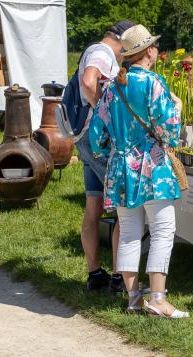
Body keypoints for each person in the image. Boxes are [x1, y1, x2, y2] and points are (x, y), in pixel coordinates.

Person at [88, 24, 187, 318]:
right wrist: (178, 107)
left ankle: (133, 298)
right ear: (148, 52)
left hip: (121, 169)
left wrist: (117, 153)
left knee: (130, 233)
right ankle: (157, 299)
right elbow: (168, 130)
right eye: (154, 46)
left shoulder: (112, 87)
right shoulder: (153, 83)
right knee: (162, 230)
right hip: (152, 166)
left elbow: (96, 136)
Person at [77, 19, 135, 292]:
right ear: (121, 39)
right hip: (97, 138)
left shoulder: (93, 50)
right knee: (123, 209)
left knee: (94, 207)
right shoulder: (102, 53)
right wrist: (105, 114)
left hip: (85, 139)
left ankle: (95, 274)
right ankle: (118, 278)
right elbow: (90, 82)